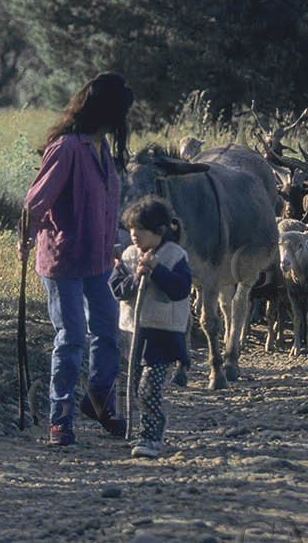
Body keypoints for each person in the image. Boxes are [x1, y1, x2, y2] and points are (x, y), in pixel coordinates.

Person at [22, 71, 135, 446]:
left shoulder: (102, 149)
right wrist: (25, 241)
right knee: (71, 337)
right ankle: (60, 418)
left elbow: (104, 206)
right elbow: (36, 201)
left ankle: (98, 400)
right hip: (64, 259)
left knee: (107, 332)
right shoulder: (68, 148)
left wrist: (113, 244)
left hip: (99, 258)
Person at [110, 196, 192, 459]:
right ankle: (139, 430)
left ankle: (150, 437)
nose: (134, 235)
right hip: (134, 333)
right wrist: (137, 277)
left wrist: (156, 272)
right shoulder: (129, 256)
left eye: (140, 230)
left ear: (158, 231)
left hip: (162, 333)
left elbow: (180, 289)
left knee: (150, 387)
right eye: (131, 229)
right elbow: (117, 289)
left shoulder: (175, 256)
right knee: (134, 386)